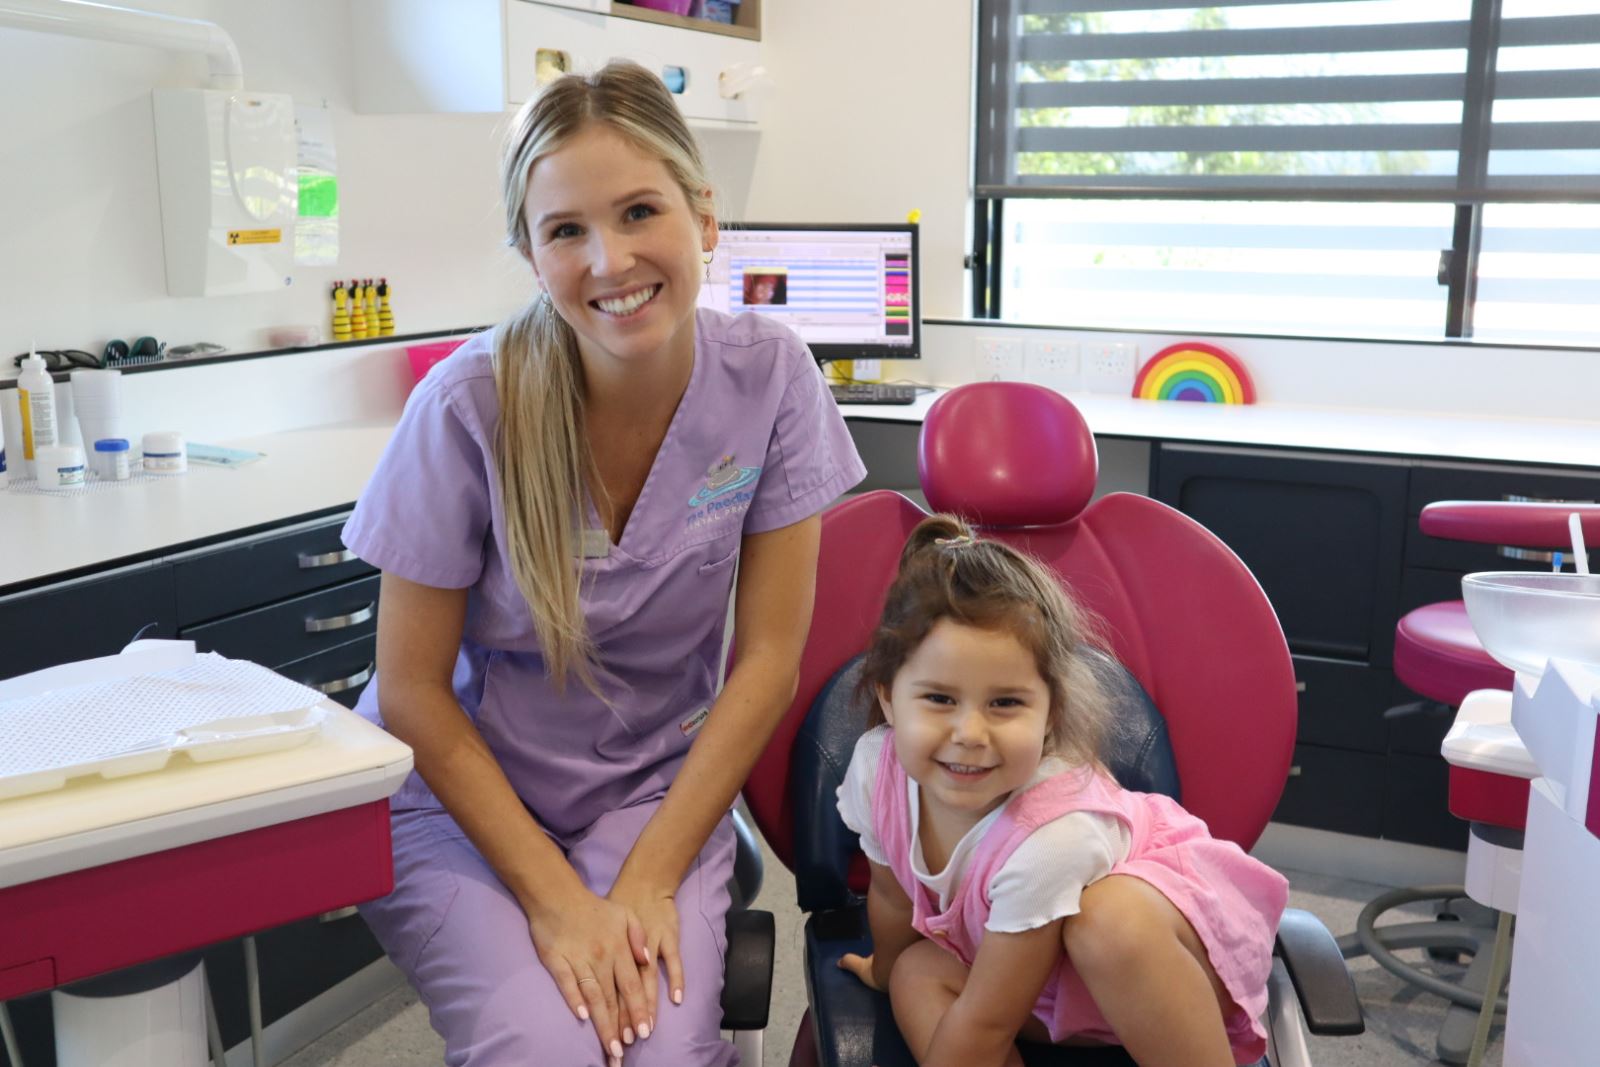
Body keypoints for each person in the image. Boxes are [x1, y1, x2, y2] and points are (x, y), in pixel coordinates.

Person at [341, 61, 866, 1067]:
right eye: (566, 230)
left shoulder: (769, 378)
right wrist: (552, 897)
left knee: (659, 1047)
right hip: (457, 794)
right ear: (529, 253)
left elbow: (765, 661)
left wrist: (648, 878)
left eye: (638, 211)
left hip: (646, 793)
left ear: (703, 216)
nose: (610, 258)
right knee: (546, 1046)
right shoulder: (467, 408)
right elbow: (410, 689)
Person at [835, 515, 1289, 1067]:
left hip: (1166, 964)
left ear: (1052, 712)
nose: (970, 735)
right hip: (1046, 978)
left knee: (1107, 922)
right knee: (915, 973)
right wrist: (883, 970)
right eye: (938, 699)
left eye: (1005, 703)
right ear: (887, 698)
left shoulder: (1051, 836)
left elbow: (988, 1022)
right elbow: (890, 895)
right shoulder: (874, 771)